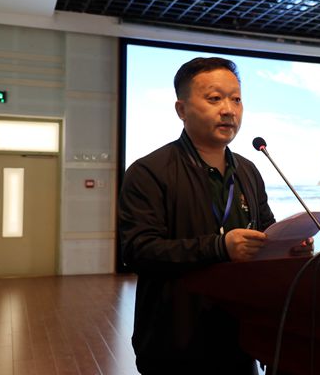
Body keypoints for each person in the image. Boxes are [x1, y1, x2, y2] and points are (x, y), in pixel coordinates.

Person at [118, 57, 280, 375]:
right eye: (215, 98)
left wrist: (286, 244)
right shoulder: (149, 171)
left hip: (241, 336)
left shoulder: (248, 170)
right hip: (176, 340)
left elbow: (265, 227)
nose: (229, 110)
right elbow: (138, 251)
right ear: (181, 109)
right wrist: (220, 247)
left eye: (236, 99)